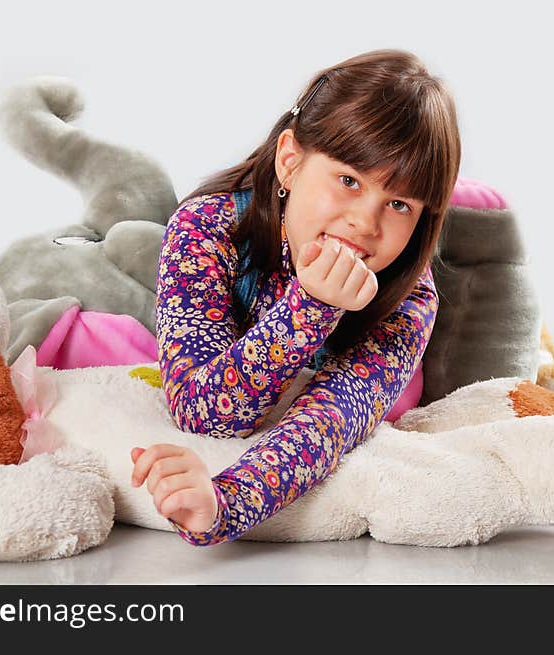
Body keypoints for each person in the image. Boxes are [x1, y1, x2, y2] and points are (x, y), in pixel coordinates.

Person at [130, 48, 461, 546]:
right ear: (290, 161)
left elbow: (332, 419)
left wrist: (226, 502)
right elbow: (204, 414)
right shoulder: (207, 227)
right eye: (349, 181)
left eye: (398, 204)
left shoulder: (410, 299)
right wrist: (311, 306)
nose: (365, 224)